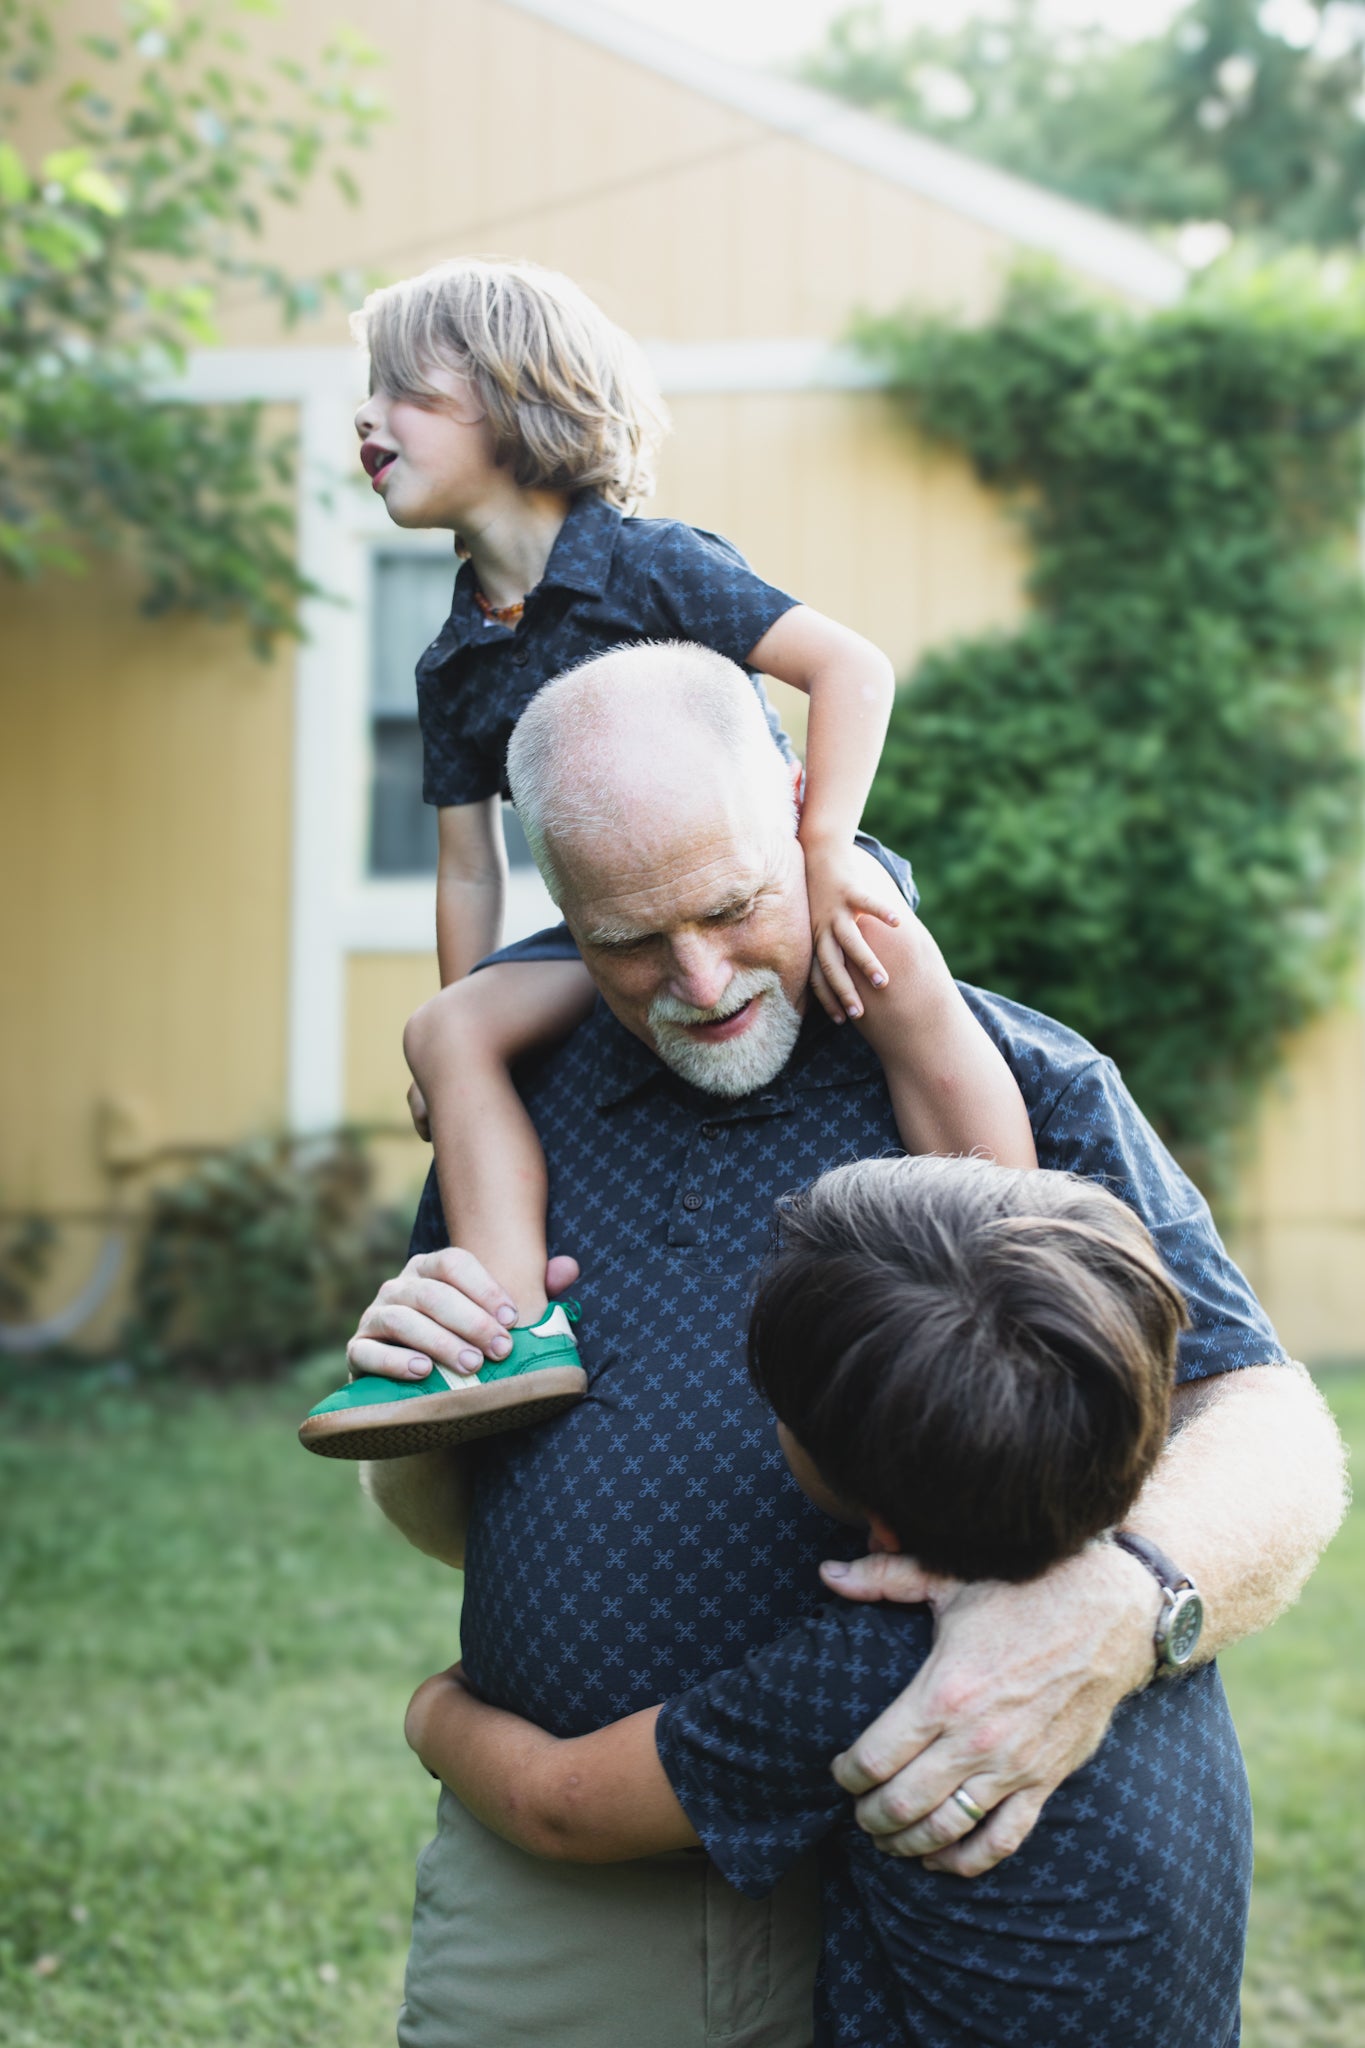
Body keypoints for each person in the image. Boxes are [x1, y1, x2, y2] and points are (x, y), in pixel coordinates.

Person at [350, 645, 1345, 2048]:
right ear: (557, 913)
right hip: (594, 1910)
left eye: (732, 905)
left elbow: (1271, 1429)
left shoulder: (1012, 1077)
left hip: (953, 1853)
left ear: (805, 812)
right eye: (628, 938)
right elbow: (458, 1510)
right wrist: (418, 1379)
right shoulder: (511, 1108)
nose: (695, 979)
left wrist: (1120, 1607)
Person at [299, 255, 1035, 1459]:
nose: (368, 418)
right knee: (442, 1032)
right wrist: (466, 1014)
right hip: (613, 935)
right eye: (365, 397)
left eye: (406, 392)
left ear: (516, 396)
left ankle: (1011, 1258)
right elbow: (470, 867)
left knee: (894, 971)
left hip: (769, 884)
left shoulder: (648, 562)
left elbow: (852, 668)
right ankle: (508, 1321)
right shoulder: (452, 661)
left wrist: (827, 850)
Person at [404, 1152, 1253, 2048]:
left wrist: (434, 1711)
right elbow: (1014, 1276)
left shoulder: (881, 1676)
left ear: (875, 1520)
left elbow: (561, 1804)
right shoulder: (1140, 1617)